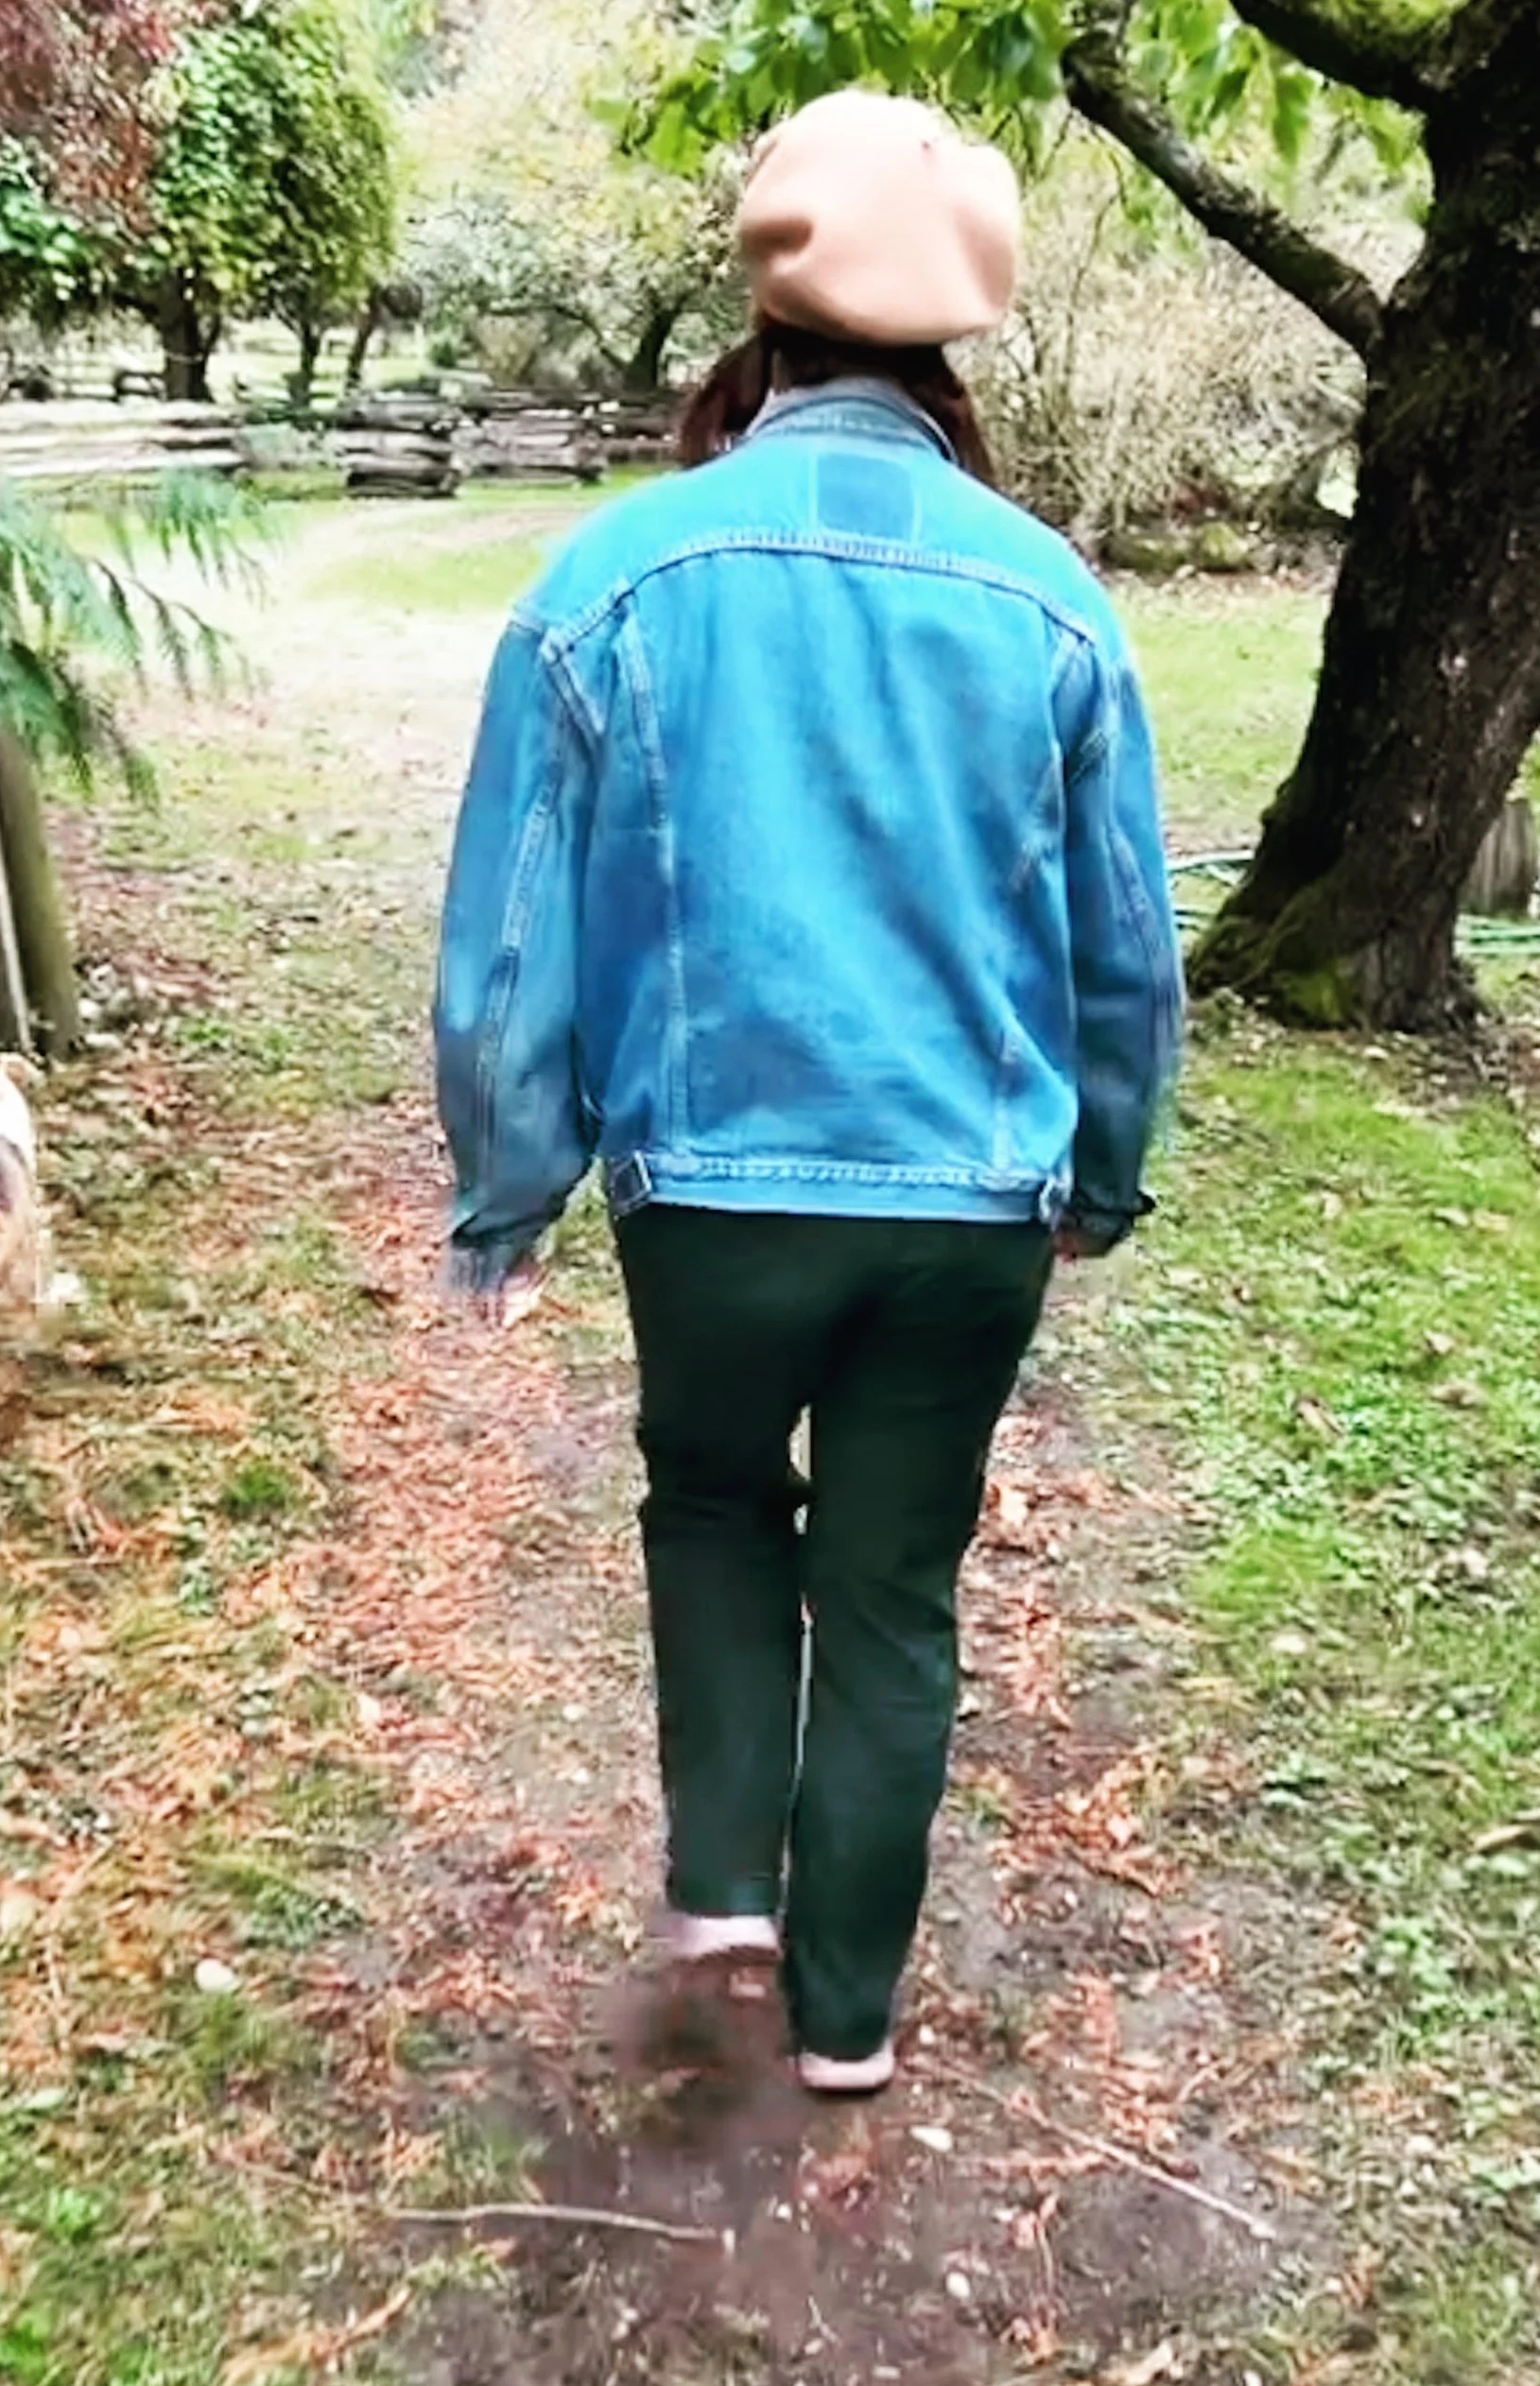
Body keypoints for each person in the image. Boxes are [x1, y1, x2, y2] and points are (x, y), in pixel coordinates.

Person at [432, 91, 1184, 2098]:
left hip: (711, 1201)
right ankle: (845, 2020)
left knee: (705, 1502)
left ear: (757, 326)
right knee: (889, 1584)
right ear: (955, 343)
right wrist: (1095, 1172)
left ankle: (720, 1897)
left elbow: (510, 944)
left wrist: (507, 1189)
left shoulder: (605, 576)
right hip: (967, 1215)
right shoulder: (1052, 600)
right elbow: (1120, 950)